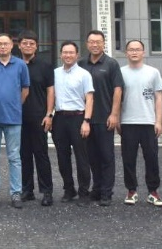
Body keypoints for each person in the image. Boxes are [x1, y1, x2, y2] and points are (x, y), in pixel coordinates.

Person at [0, 33, 30, 209]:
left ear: (11, 46)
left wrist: (14, 104)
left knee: (14, 157)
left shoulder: (20, 65)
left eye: (6, 43)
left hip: (13, 117)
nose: (2, 46)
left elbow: (25, 89)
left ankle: (16, 193)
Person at [79, 30, 124, 206]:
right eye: (91, 42)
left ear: (104, 43)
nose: (95, 45)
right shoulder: (81, 63)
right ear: (87, 44)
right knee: (92, 157)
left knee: (106, 157)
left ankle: (106, 192)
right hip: (86, 118)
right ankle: (96, 189)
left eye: (98, 41)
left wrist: (114, 114)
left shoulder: (111, 64)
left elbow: (118, 90)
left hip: (105, 117)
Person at [119, 40, 162, 207]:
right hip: (127, 121)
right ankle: (131, 191)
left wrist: (158, 121)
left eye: (137, 49)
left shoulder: (153, 72)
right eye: (131, 50)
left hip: (148, 122)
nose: (134, 52)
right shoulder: (120, 72)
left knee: (151, 158)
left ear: (143, 52)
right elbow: (116, 97)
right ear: (126, 53)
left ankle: (153, 192)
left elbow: (159, 98)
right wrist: (117, 119)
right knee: (128, 159)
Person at [51, 41, 94, 206]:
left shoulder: (84, 74)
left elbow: (89, 99)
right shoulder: (55, 73)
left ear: (77, 55)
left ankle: (84, 192)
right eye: (65, 52)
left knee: (82, 157)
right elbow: (51, 96)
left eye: (71, 53)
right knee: (62, 157)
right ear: (60, 54)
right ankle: (69, 189)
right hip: (59, 118)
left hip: (78, 118)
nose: (68, 55)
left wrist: (86, 121)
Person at [17, 30, 55, 207]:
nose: (28, 46)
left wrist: (49, 114)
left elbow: (50, 91)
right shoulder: (15, 65)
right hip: (18, 117)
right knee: (23, 155)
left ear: (36, 46)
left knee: (41, 154)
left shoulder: (45, 66)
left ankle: (47, 191)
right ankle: (27, 190)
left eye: (31, 43)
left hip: (39, 116)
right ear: (19, 46)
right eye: (25, 43)